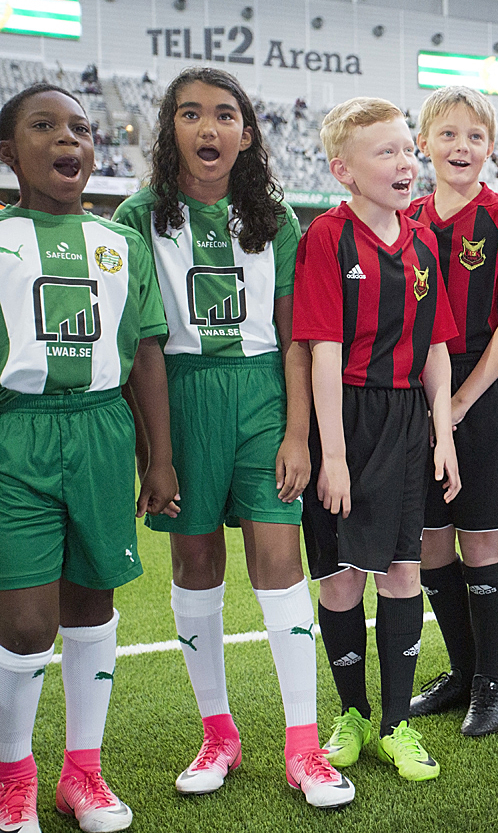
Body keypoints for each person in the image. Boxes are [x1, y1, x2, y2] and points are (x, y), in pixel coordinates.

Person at [112, 67, 352, 808]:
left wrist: (298, 433)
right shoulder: (139, 216)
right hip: (179, 398)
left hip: (260, 398)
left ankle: (303, 746)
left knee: (279, 561)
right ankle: (218, 732)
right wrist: (155, 451)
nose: (208, 127)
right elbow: (139, 343)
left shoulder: (274, 217)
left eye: (224, 115)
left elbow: (295, 336)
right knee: (195, 560)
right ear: (170, 129)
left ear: (247, 135)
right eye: (190, 114)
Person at [0, 83, 176, 833]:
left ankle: (83, 773)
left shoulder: (120, 244)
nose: (69, 139)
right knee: (25, 624)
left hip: (102, 430)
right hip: (18, 433)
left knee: (92, 603)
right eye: (45, 126)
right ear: (10, 154)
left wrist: (159, 456)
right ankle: (13, 777)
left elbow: (146, 354)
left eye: (80, 127)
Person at [293, 96, 460, 781]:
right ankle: (353, 713)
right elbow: (322, 351)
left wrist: (443, 432)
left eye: (407, 150)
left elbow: (437, 347)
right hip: (344, 417)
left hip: (404, 421)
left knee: (401, 571)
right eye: (386, 152)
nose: (405, 163)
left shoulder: (424, 242)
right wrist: (331, 455)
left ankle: (396, 723)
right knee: (339, 579)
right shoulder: (327, 237)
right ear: (344, 170)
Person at [403, 86, 498, 736]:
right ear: (423, 142)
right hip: (415, 391)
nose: (462, 147)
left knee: (480, 535)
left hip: (483, 390)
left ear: (490, 148)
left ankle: (491, 681)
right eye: (449, 134)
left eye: (475, 136)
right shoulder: (404, 216)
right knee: (430, 538)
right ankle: (461, 672)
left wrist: (457, 402)